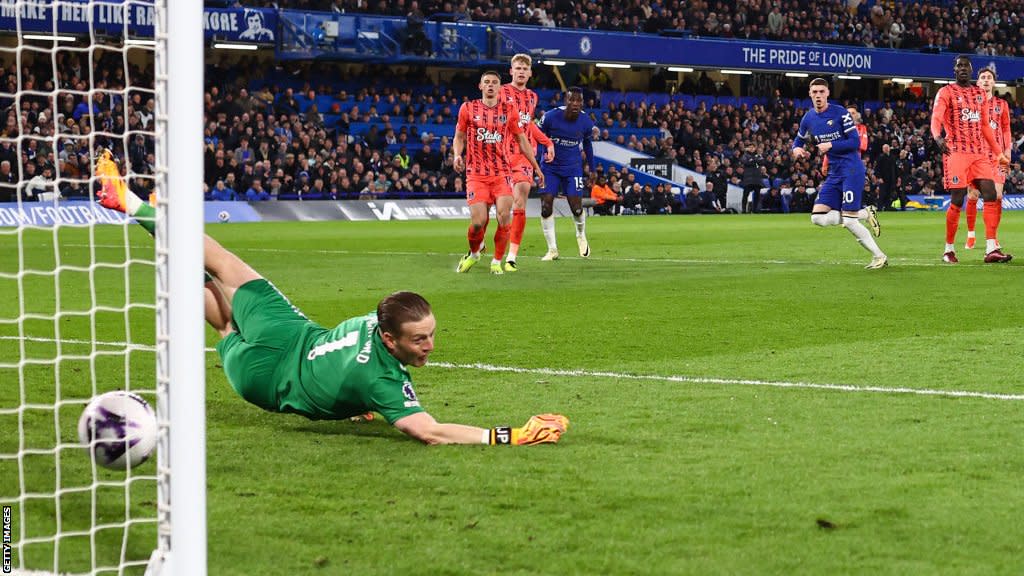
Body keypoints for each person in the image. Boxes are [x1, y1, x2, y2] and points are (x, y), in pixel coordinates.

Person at [93, 150, 568, 446]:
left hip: (290, 333)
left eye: (430, 335)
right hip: (264, 381)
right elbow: (430, 431)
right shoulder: (381, 380)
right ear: (389, 337)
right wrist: (511, 435)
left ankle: (137, 209)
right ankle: (151, 222)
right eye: (420, 339)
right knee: (219, 317)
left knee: (217, 262)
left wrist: (350, 398)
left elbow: (350, 368)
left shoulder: (374, 320)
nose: (429, 346)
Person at [453, 70, 544, 275]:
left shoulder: (508, 110)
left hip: (502, 173)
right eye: (487, 82)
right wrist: (457, 155)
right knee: (478, 223)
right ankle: (474, 254)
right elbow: (459, 136)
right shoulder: (468, 108)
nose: (491, 85)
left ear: (499, 87)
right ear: (481, 86)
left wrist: (535, 166)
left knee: (504, 217)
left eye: (495, 82)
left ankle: (496, 261)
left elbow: (522, 140)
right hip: (476, 174)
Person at [792, 78, 888, 270]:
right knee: (817, 218)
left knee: (850, 222)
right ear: (810, 94)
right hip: (835, 173)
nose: (818, 95)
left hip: (851, 169)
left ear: (828, 93)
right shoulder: (808, 118)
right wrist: (796, 149)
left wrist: (831, 145)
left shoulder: (840, 113)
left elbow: (854, 142)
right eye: (815, 92)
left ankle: (879, 256)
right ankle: (864, 212)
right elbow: (798, 140)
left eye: (821, 92)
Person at [931, 56, 1011, 264]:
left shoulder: (979, 95)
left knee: (991, 194)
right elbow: (937, 117)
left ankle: (991, 248)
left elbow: (985, 126)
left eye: (966, 66)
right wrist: (937, 136)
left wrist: (999, 153)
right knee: (958, 198)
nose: (963, 69)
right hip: (956, 152)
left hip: (979, 154)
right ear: (954, 70)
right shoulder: (946, 92)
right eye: (959, 66)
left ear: (971, 70)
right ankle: (949, 249)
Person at [500, 53, 555, 271]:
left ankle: (511, 257)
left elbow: (528, 125)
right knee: (502, 210)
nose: (522, 71)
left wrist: (547, 142)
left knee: (520, 199)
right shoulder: (501, 91)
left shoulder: (532, 97)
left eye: (525, 68)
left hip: (524, 155)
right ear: (511, 71)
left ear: (530, 73)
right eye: (518, 68)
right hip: (501, 154)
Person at [537, 87, 596, 260]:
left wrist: (591, 169)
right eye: (572, 100)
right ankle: (552, 249)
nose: (575, 103)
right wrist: (540, 158)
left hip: (573, 168)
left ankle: (580, 235)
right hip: (550, 168)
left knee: (576, 208)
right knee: (546, 205)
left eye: (579, 100)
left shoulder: (585, 122)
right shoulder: (550, 117)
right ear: (566, 101)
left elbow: (588, 145)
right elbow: (537, 137)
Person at [962, 66, 1011, 252]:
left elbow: (1006, 129)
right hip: (975, 156)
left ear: (994, 82)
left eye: (989, 77)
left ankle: (993, 237)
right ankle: (971, 235)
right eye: (982, 77)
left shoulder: (1001, 105)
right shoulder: (970, 103)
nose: (986, 80)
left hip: (996, 157)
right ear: (977, 81)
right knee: (973, 195)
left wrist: (1007, 151)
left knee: (997, 195)